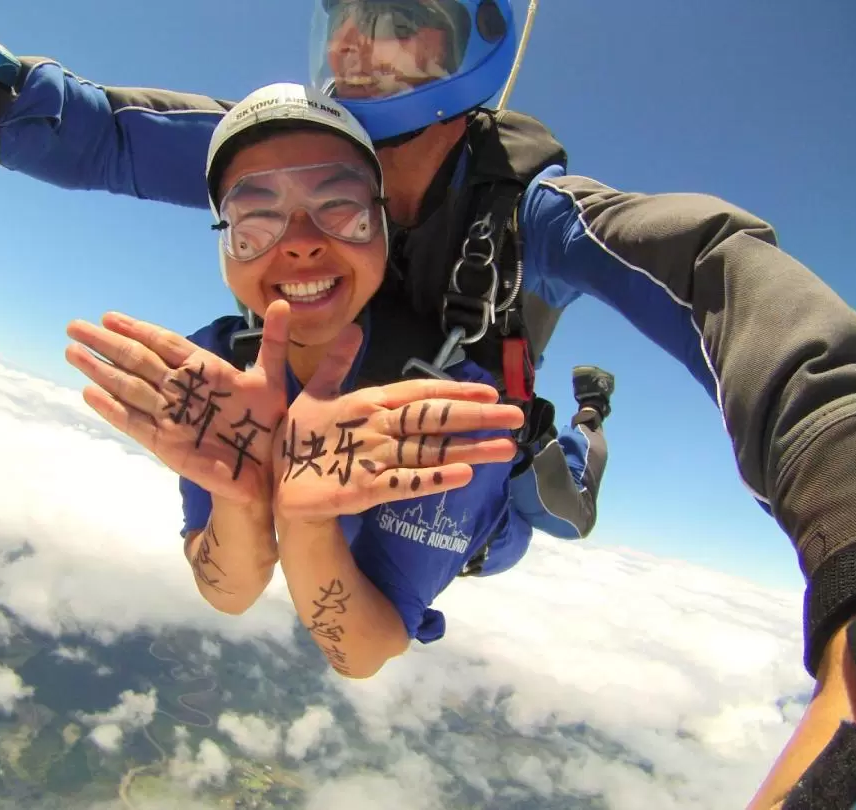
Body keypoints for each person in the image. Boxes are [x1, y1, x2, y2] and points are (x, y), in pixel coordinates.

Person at [0, 0, 856, 805]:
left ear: (479, 44)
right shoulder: (299, 157)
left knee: (558, 496)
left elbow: (715, 271)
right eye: (345, 21)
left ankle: (589, 424)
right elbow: (123, 133)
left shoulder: (532, 219)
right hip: (333, 454)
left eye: (402, 26)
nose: (360, 54)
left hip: (476, 467)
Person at [64, 82, 535, 679]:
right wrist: (252, 499)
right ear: (226, 250)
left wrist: (308, 523)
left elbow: (365, 650)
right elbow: (229, 592)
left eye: (340, 208)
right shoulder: (215, 375)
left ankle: (585, 428)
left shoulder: (447, 407)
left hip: (489, 531)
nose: (303, 246)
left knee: (554, 500)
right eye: (256, 221)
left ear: (382, 226)